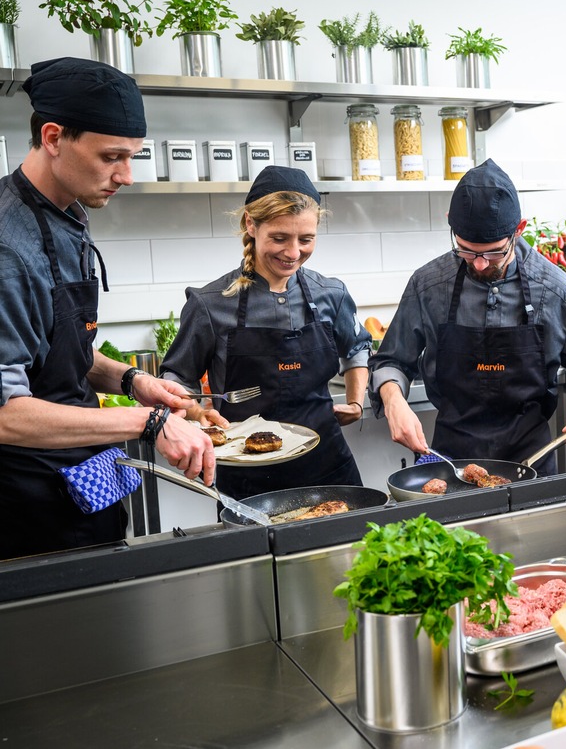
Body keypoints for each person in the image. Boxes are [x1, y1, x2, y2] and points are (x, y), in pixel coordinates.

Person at [0, 58, 214, 561]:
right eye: (112, 157)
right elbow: (5, 413)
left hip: (82, 483)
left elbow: (56, 345)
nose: (128, 175)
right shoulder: (7, 246)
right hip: (27, 509)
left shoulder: (68, 211)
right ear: (53, 137)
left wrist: (130, 381)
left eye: (133, 156)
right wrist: (148, 423)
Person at [370, 159, 566, 474]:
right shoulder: (428, 285)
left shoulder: (555, 289)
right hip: (451, 459)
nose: (480, 264)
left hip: (531, 459)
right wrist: (393, 400)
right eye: (467, 251)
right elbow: (391, 362)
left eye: (494, 252)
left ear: (519, 229)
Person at [160, 166, 371, 499]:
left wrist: (356, 402)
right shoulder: (210, 304)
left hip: (329, 466)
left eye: (306, 239)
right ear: (250, 224)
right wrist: (197, 413)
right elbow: (176, 380)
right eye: (279, 238)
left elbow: (357, 347)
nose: (293, 252)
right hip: (248, 475)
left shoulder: (331, 293)